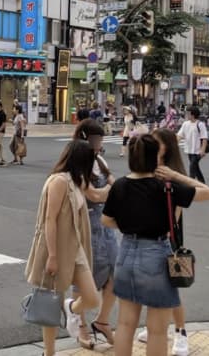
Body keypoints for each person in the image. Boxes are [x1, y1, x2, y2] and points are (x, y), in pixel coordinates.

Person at [101, 134, 209, 356]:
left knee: (125, 324)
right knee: (157, 330)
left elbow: (106, 219)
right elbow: (207, 193)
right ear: (155, 157)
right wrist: (175, 176)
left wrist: (127, 225)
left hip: (126, 253)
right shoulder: (166, 187)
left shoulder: (120, 185)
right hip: (156, 253)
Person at [25, 140, 110, 356]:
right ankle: (49, 352)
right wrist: (52, 256)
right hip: (56, 248)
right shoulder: (59, 181)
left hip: (75, 248)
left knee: (91, 297)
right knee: (49, 305)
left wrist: (114, 184)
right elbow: (49, 220)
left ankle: (70, 308)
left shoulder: (76, 180)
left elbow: (98, 196)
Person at [136, 128, 192, 355]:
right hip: (150, 235)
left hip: (168, 235)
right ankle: (156, 328)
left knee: (172, 287)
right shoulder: (150, 168)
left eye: (156, 142)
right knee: (152, 285)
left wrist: (168, 235)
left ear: (166, 146)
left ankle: (181, 332)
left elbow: (176, 210)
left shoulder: (172, 172)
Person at [72, 120, 118, 349]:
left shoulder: (100, 160)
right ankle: (79, 323)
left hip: (105, 225)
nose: (100, 144)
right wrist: (110, 191)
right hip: (85, 224)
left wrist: (110, 191)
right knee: (84, 275)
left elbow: (111, 187)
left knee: (114, 274)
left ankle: (102, 321)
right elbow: (93, 195)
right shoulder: (77, 163)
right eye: (97, 139)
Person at [177, 107, 208, 183]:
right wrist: (174, 144)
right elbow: (180, 135)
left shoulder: (200, 124)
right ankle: (202, 182)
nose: (186, 115)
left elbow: (204, 138)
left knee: (192, 168)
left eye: (188, 113)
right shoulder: (185, 124)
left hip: (198, 151)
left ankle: (191, 185)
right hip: (189, 149)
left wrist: (203, 150)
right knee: (195, 167)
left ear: (193, 115)